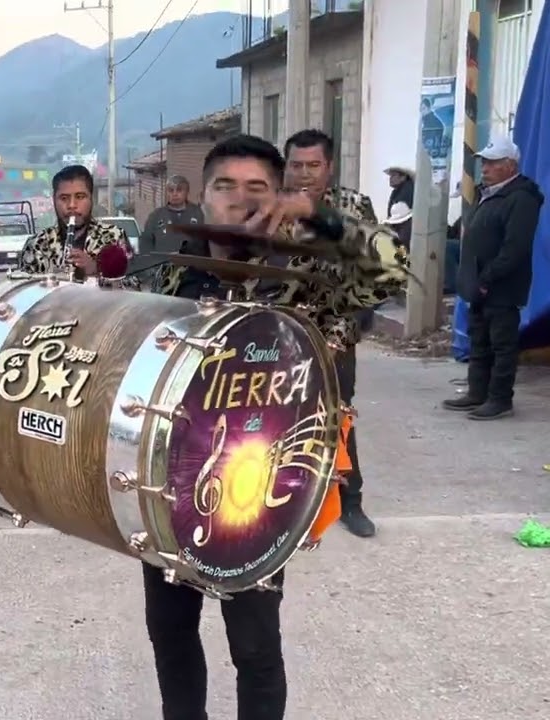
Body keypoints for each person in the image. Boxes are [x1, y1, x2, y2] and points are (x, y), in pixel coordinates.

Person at [145, 135, 407, 720]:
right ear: (203, 198)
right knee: (170, 635)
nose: (239, 200)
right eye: (225, 186)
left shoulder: (309, 277)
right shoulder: (169, 278)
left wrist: (319, 216)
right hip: (167, 492)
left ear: (278, 197)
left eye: (257, 188)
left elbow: (391, 267)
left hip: (255, 499)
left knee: (257, 649)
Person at [281, 128, 379, 538]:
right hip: (282, 334)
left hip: (335, 332)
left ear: (330, 167)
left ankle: (350, 501)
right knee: (280, 417)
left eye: (314, 165)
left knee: (337, 418)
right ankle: (285, 505)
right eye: (296, 165)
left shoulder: (354, 207)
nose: (305, 174)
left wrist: (340, 334)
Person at [444, 135, 544, 420]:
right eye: (483, 163)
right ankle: (478, 392)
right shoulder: (487, 193)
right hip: (479, 284)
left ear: (510, 166)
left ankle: (500, 400)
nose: (484, 168)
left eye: (491, 163)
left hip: (501, 286)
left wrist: (488, 278)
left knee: (502, 344)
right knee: (480, 340)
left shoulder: (522, 198)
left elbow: (515, 248)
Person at [17, 164, 130, 280]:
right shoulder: (36, 245)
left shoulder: (114, 238)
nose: (71, 205)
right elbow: (23, 292)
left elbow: (133, 289)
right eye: (64, 198)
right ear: (54, 200)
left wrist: (96, 270)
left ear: (92, 199)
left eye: (80, 197)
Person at [137, 175, 204, 255]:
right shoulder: (156, 216)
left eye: (179, 190)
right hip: (162, 265)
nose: (174, 194)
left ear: (187, 192)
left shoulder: (198, 213)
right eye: (171, 190)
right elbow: (145, 243)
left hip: (191, 265)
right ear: (166, 193)